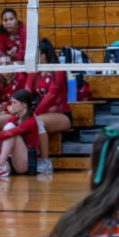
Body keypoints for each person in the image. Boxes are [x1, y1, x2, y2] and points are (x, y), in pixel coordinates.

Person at [24, 38, 72, 174]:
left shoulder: (58, 71)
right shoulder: (34, 72)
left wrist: (34, 113)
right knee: (25, 122)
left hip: (62, 115)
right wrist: (20, 110)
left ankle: (46, 162)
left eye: (35, 55)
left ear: (43, 55)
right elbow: (27, 92)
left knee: (36, 122)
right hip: (42, 114)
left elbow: (51, 96)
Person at [0, 89, 39, 177]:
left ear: (24, 105)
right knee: (9, 126)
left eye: (14, 103)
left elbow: (2, 137)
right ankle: (0, 166)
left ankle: (0, 164)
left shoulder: (31, 121)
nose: (11, 106)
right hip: (13, 159)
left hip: (27, 163)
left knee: (10, 129)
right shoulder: (13, 119)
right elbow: (0, 139)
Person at [0, 54, 27, 130]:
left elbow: (22, 103)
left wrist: (6, 108)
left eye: (7, 64)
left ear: (12, 65)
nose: (4, 67)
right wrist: (5, 107)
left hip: (16, 112)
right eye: (1, 64)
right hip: (6, 109)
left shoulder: (20, 79)